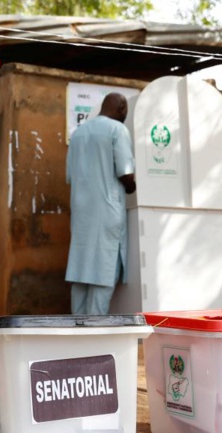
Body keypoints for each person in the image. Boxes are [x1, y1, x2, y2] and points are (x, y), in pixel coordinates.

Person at [65, 93, 136, 315]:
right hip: (107, 211)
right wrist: (133, 186)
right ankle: (95, 332)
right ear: (122, 109)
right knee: (104, 273)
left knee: (81, 272)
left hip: (81, 214)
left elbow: (69, 176)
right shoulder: (117, 130)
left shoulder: (78, 134)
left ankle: (76, 332)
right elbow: (125, 173)